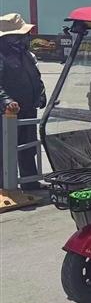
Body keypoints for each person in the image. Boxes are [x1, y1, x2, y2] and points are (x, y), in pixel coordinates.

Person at [0, 14, 47, 191]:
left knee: (28, 147)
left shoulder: (25, 54)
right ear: (8, 37)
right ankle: (4, 187)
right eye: (19, 35)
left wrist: (41, 94)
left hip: (28, 109)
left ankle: (30, 182)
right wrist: (6, 101)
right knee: (5, 150)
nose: (25, 37)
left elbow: (36, 76)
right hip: (7, 113)